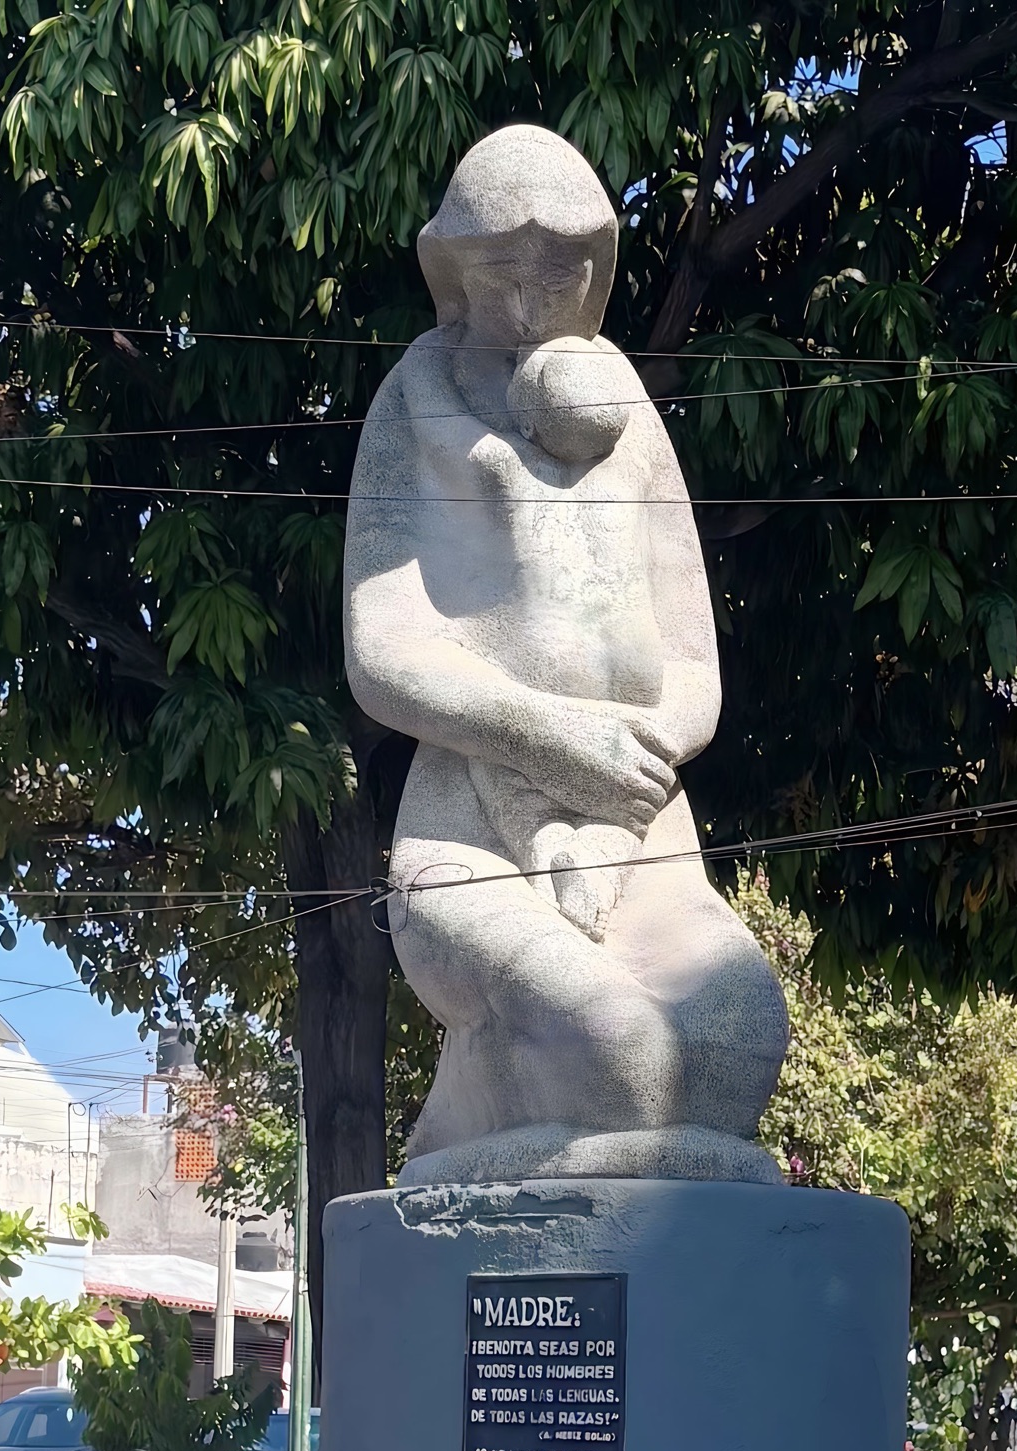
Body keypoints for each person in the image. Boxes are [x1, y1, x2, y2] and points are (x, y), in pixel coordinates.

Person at [344, 126, 788, 1185]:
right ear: (453, 269)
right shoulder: (412, 399)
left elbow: (693, 666)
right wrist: (549, 739)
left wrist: (618, 781)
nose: (531, 303)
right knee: (619, 1050)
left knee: (735, 1051)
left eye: (561, 275)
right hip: (469, 831)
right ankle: (474, 1146)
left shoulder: (622, 405)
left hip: (636, 821)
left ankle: (544, 1146)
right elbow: (380, 649)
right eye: (503, 273)